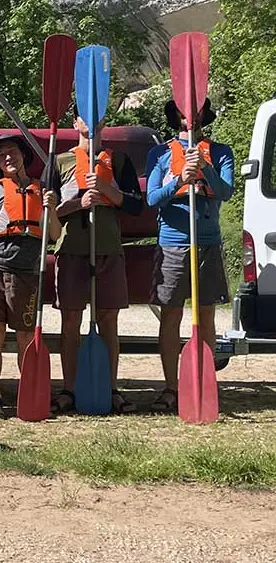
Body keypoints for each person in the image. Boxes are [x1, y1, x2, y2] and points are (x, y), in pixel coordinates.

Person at [49, 105, 144, 415]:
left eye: (97, 116)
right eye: (84, 117)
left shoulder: (118, 161)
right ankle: (69, 389)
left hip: (108, 250)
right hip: (71, 250)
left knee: (108, 322)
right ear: (75, 121)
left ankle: (111, 388)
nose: (90, 122)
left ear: (104, 120)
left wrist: (104, 189)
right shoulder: (59, 161)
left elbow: (134, 206)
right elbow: (44, 211)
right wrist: (78, 203)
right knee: (71, 322)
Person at [145, 98, 234, 413]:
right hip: (172, 243)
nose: (190, 117)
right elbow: (152, 197)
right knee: (171, 315)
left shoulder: (221, 152)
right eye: (184, 112)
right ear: (177, 116)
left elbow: (225, 192)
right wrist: (181, 179)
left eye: (195, 112)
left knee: (206, 315)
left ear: (202, 115)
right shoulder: (160, 154)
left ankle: (203, 383)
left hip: (207, 243)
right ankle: (171, 387)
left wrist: (205, 169)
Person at [0, 135, 62, 419]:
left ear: (23, 156)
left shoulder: (43, 190)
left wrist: (51, 208)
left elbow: (56, 235)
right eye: (1, 156)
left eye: (12, 152)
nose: (7, 158)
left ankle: (30, 392)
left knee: (25, 335)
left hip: (28, 272)